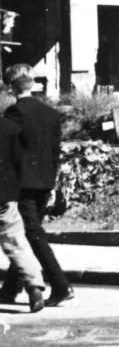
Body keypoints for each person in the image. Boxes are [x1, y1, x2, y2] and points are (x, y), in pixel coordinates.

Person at [0, 64, 70, 307]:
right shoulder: (51, 113)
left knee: (30, 234)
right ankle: (10, 289)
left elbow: (11, 150)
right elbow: (55, 151)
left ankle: (60, 285)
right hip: (45, 181)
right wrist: (53, 182)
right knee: (26, 233)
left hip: (23, 183)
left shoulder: (14, 113)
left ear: (11, 87)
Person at [0, 111, 44, 312]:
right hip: (5, 194)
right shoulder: (10, 128)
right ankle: (34, 286)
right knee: (16, 241)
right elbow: (20, 162)